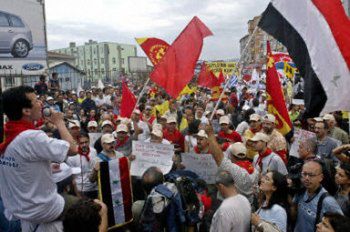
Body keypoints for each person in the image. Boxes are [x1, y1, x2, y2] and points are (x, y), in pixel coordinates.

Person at [0, 86, 77, 231]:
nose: (41, 103)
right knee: (98, 209)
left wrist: (46, 167)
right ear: (26, 110)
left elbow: (21, 167)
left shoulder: (8, 133)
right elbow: (73, 149)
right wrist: (59, 122)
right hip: (42, 209)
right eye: (36, 101)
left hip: (16, 208)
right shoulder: (31, 137)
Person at [293, 160, 343, 232]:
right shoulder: (301, 191)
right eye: (304, 174)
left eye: (311, 175)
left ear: (321, 177)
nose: (306, 178)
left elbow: (341, 226)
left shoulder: (328, 201)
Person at [66, 133, 98, 199]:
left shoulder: (94, 151)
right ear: (78, 143)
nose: (84, 145)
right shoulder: (72, 156)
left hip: (94, 188)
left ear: (89, 141)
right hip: (81, 189)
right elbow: (73, 178)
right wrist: (77, 194)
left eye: (86, 142)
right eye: (81, 143)